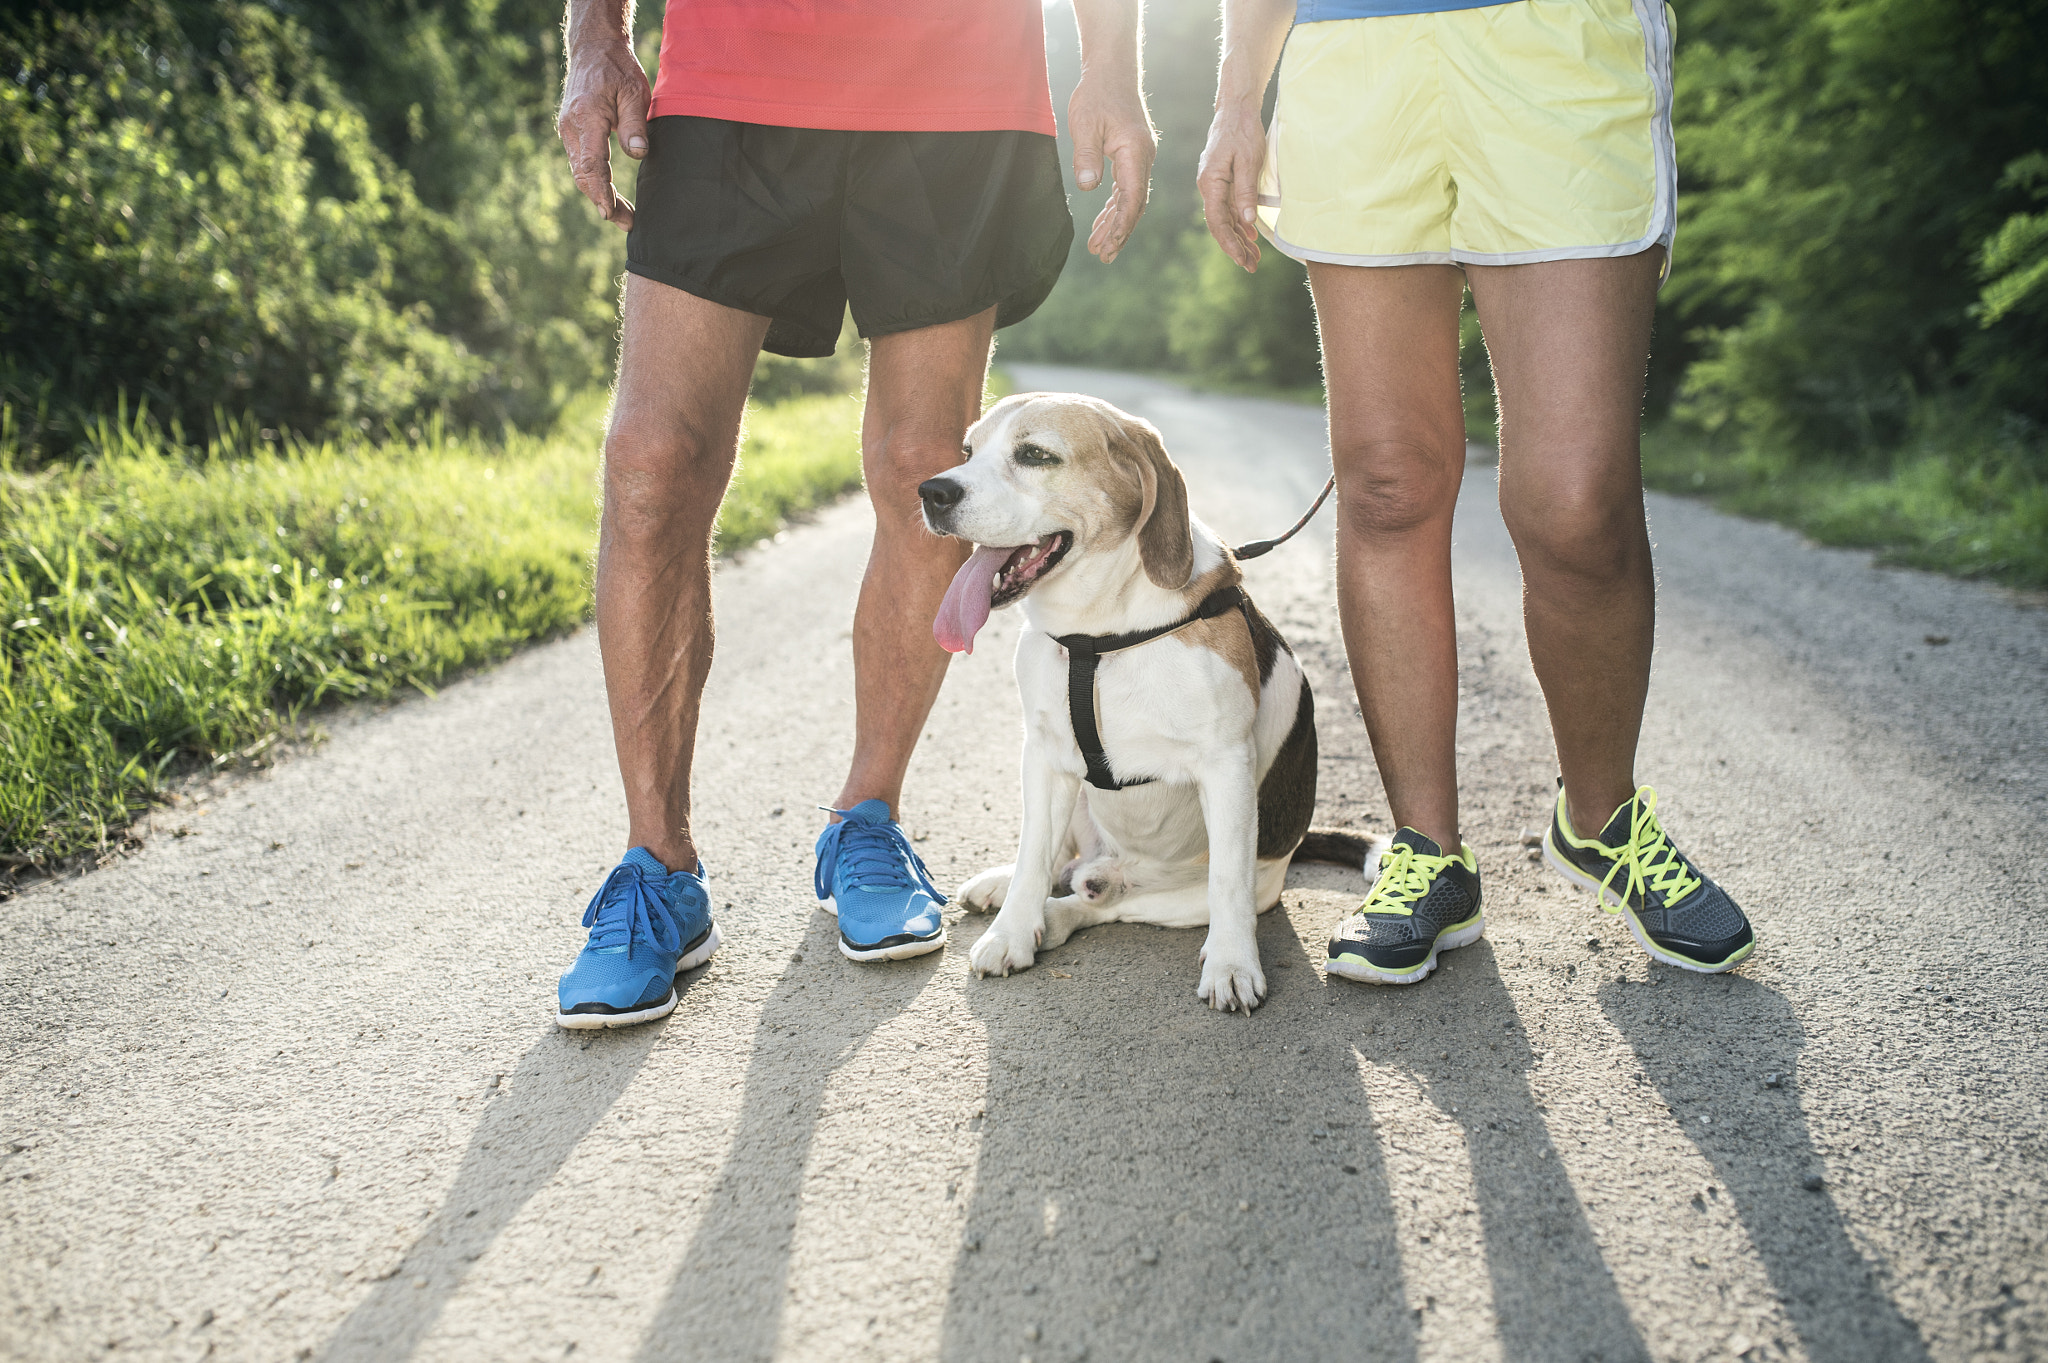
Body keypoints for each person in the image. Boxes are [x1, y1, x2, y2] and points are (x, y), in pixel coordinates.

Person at [552, 0, 1156, 1027]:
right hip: (727, 78)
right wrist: (592, 38)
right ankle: (655, 866)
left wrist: (1111, 65)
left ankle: (867, 817)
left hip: (953, 83)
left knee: (927, 469)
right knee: (650, 463)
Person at [1197, 0, 1754, 984]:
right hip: (1348, 51)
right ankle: (1426, 852)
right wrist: (1235, 99)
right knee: (1384, 485)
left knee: (1575, 499)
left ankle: (1600, 822)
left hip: (1554, 45)